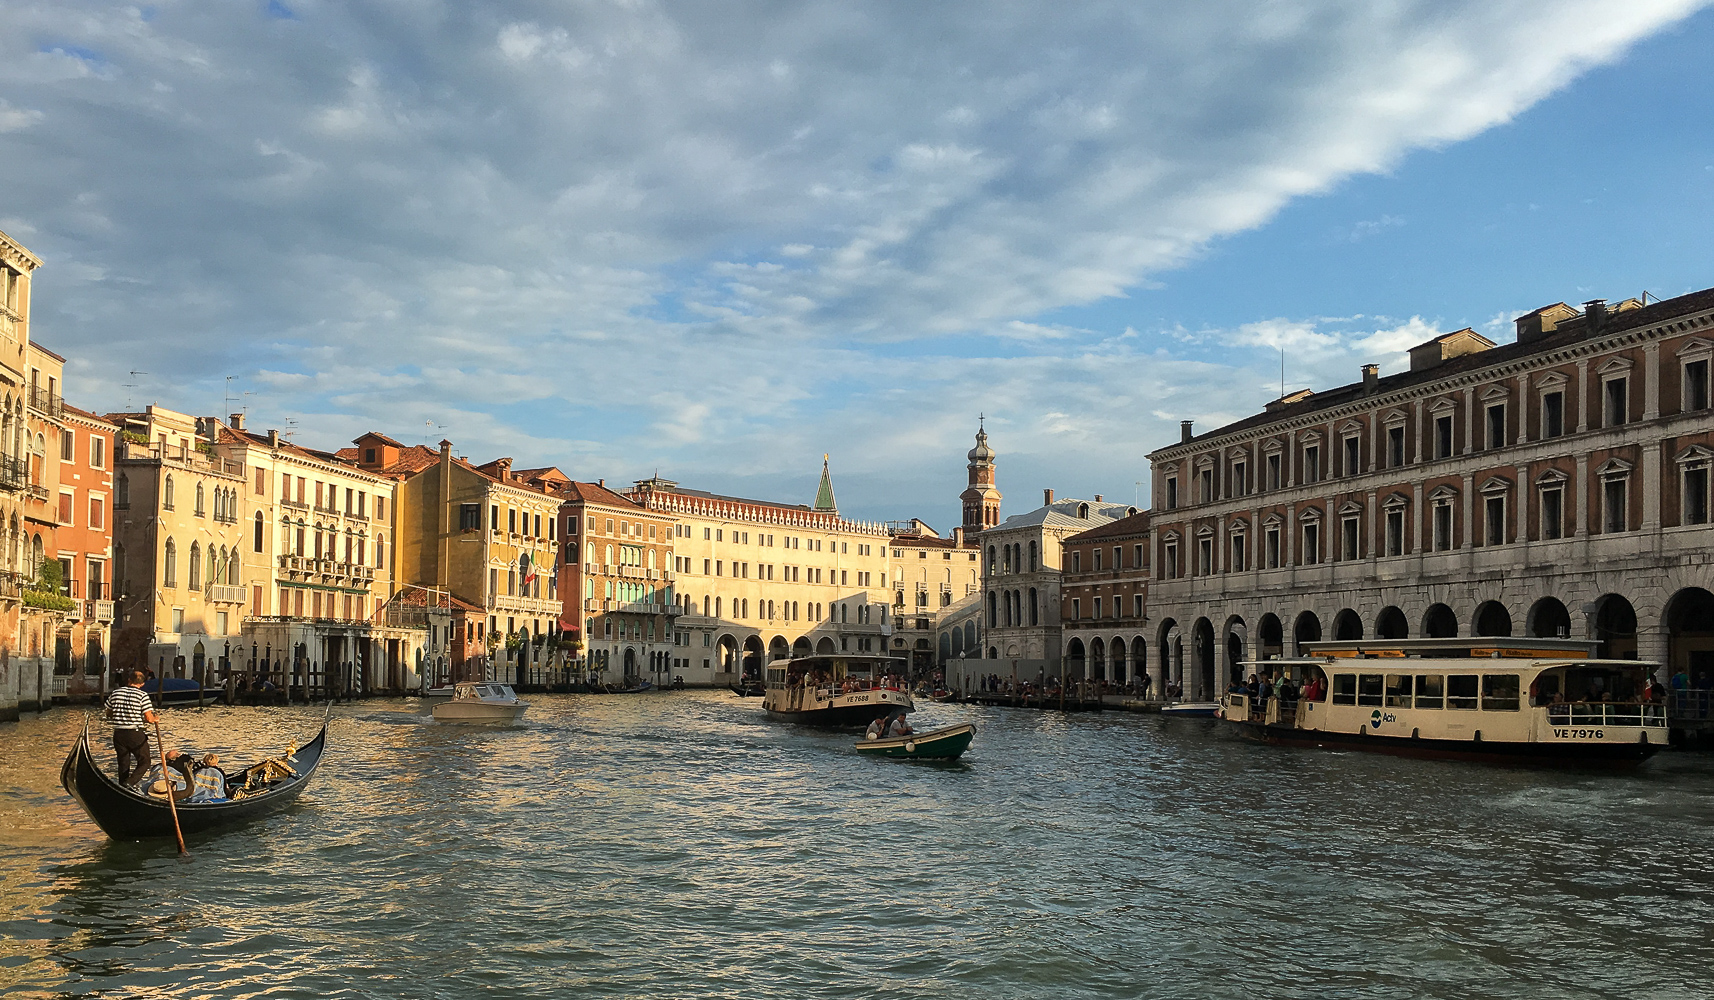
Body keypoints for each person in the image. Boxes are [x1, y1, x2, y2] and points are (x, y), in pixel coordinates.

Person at [104, 669, 157, 787]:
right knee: (145, 762)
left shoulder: (116, 692)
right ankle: (130, 783)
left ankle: (122, 786)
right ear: (142, 684)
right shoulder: (143, 695)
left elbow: (108, 712)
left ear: (129, 680)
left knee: (123, 763)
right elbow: (148, 718)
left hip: (118, 734)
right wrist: (155, 719)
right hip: (135, 733)